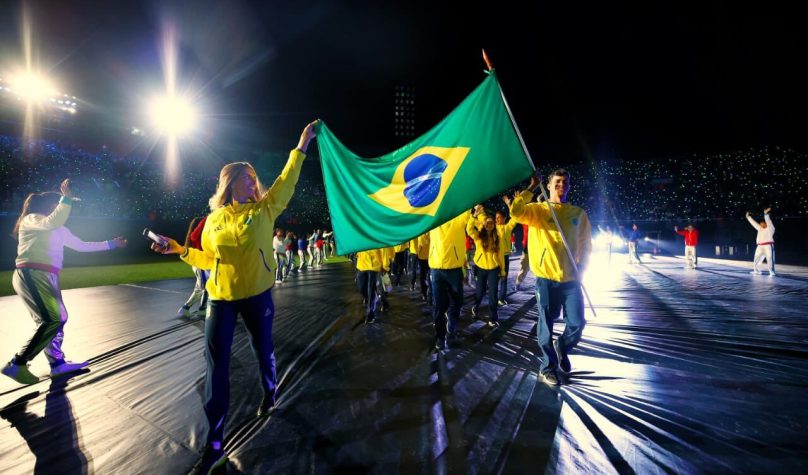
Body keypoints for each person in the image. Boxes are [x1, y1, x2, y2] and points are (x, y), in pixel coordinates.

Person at [151, 120, 318, 475]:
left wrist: (302, 144)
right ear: (232, 181)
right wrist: (180, 249)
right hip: (220, 300)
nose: (254, 181)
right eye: (248, 177)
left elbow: (287, 179)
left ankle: (270, 391)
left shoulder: (265, 209)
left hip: (258, 297)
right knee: (217, 367)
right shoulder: (213, 220)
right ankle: (215, 442)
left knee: (264, 350)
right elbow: (208, 260)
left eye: (256, 177)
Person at [3, 179, 127, 385]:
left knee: (55, 321)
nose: (61, 208)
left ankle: (57, 364)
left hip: (46, 276)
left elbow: (81, 246)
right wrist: (66, 198)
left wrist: (111, 244)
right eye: (57, 204)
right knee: (54, 319)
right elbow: (54, 220)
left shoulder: (57, 228)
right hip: (32, 274)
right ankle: (17, 364)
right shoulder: (33, 219)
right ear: (52, 205)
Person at [508, 169, 592, 386]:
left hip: (571, 280)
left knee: (577, 323)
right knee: (546, 323)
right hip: (546, 279)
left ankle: (562, 346)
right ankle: (547, 367)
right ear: (548, 185)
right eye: (557, 182)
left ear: (569, 186)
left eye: (565, 181)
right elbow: (515, 213)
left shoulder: (578, 213)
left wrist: (581, 268)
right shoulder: (538, 210)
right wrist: (529, 189)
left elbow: (586, 244)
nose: (561, 185)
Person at [429, 209, 471, 350]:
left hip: (454, 270)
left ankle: (451, 324)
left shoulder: (458, 218)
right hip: (437, 270)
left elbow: (468, 204)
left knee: (458, 303)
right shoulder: (432, 220)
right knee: (439, 307)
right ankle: (440, 338)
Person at [467, 206, 505, 327]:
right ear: (484, 224)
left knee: (493, 294)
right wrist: (473, 217)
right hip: (480, 268)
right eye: (487, 222)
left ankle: (493, 318)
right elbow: (469, 229)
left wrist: (502, 270)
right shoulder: (478, 236)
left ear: (494, 224)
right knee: (480, 292)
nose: (489, 224)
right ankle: (476, 306)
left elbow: (501, 255)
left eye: (491, 223)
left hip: (493, 269)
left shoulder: (497, 238)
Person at [178, 216, 209, 318]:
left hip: (198, 264)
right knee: (205, 288)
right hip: (200, 264)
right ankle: (202, 310)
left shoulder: (192, 236)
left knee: (199, 288)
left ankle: (185, 308)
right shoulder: (197, 235)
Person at [495, 209, 518, 306]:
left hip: (504, 257)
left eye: (499, 217)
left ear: (504, 218)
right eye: (495, 217)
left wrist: (510, 206)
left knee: (503, 279)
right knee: (494, 279)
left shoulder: (507, 227)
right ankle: (493, 298)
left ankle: (501, 298)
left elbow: (515, 218)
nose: (497, 219)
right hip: (495, 257)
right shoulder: (493, 228)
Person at [746, 208, 775, 276]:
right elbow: (754, 223)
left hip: (768, 246)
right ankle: (756, 270)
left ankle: (771, 271)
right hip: (759, 246)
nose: (760, 224)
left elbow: (768, 221)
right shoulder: (760, 229)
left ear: (766, 224)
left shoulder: (770, 229)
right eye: (760, 223)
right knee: (756, 258)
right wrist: (748, 217)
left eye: (762, 223)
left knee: (769, 258)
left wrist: (765, 214)